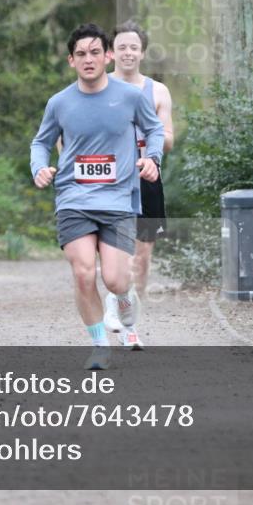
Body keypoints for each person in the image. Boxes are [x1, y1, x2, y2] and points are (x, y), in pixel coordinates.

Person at [30, 23, 164, 369]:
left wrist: (152, 158)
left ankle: (125, 296)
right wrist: (39, 168)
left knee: (116, 279)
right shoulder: (59, 102)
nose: (88, 59)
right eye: (80, 54)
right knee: (83, 272)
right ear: (70, 61)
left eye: (94, 52)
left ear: (107, 56)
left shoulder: (131, 97)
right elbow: (41, 143)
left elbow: (154, 129)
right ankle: (99, 344)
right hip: (74, 198)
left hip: (119, 200)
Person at [104, 21, 174, 342]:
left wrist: (151, 145)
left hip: (147, 176)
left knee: (143, 255)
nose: (128, 52)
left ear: (142, 52)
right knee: (113, 251)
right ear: (110, 53)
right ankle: (113, 302)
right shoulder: (98, 87)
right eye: (122, 47)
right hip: (109, 178)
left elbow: (169, 136)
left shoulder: (157, 91)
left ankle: (131, 326)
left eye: (134, 47)